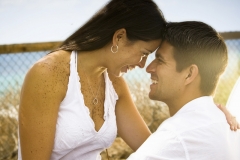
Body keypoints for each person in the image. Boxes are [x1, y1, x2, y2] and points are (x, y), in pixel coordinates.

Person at [18, 0, 237, 159]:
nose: (144, 65)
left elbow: (151, 148)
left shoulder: (114, 84)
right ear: (119, 37)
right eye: (143, 53)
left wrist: (208, 118)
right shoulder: (48, 74)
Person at [127, 21, 240, 160]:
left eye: (160, 60)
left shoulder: (177, 136)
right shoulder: (227, 126)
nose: (149, 68)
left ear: (189, 74)